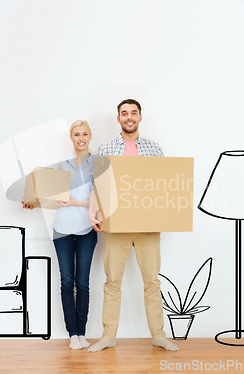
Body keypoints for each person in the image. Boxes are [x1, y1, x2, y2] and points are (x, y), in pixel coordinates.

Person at [87, 99, 179, 352]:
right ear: (118, 119)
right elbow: (99, 183)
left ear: (140, 117)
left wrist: (170, 213)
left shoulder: (154, 148)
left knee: (152, 281)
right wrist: (92, 210)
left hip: (148, 225)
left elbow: (164, 184)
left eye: (133, 113)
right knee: (112, 280)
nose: (129, 117)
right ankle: (108, 337)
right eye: (124, 113)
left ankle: (159, 336)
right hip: (116, 223)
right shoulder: (106, 148)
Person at [23, 120, 97, 350]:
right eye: (76, 134)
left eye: (84, 134)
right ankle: (72, 333)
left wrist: (78, 202)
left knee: (82, 282)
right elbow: (50, 192)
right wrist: (33, 203)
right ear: (71, 138)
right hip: (62, 230)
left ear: (90, 136)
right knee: (66, 281)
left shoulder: (99, 165)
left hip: (87, 230)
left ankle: (82, 332)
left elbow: (102, 198)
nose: (81, 138)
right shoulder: (61, 165)